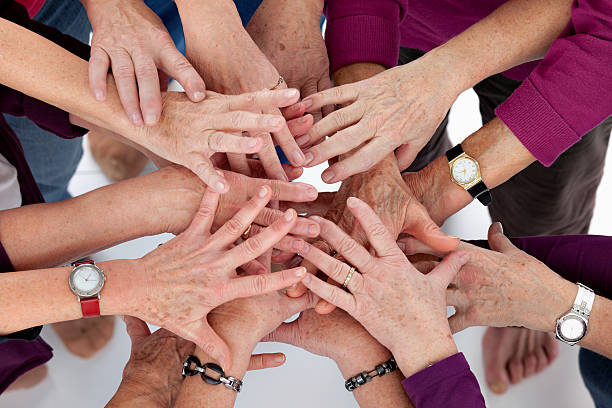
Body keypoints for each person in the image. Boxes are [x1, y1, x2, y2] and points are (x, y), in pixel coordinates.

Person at [288, 0, 612, 394]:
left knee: (544, 214)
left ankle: (525, 293)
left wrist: (436, 187)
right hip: (401, 29)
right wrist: (375, 168)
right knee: (400, 168)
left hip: (573, 60)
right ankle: (422, 238)